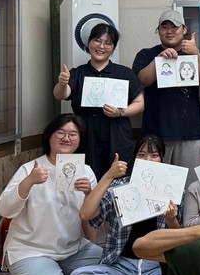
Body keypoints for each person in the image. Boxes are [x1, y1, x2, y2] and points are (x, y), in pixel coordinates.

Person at [69, 135, 185, 275]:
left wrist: (171, 220)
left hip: (155, 267)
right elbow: (86, 214)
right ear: (135, 159)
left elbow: (180, 238)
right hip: (119, 265)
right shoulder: (119, 186)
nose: (148, 160)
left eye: (154, 155)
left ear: (162, 159)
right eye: (142, 155)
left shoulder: (174, 190)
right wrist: (108, 176)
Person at [0, 114, 102, 275]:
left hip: (71, 250)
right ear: (49, 136)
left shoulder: (85, 171)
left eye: (73, 134)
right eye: (60, 132)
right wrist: (29, 182)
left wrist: (89, 193)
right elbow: (4, 209)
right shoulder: (30, 169)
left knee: (111, 263)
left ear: (80, 139)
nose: (66, 138)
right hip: (30, 251)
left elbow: (90, 217)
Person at [53, 23, 144, 179]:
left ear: (113, 48)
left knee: (117, 181)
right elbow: (60, 95)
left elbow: (140, 103)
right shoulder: (78, 73)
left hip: (116, 136)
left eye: (108, 43)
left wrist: (120, 112)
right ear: (89, 42)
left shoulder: (125, 73)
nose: (101, 46)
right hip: (86, 137)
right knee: (84, 181)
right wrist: (62, 83)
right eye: (97, 40)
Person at [132, 9, 200, 181]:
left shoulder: (195, 54)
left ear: (184, 29)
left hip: (189, 133)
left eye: (174, 27)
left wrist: (196, 53)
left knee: (190, 186)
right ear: (158, 30)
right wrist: (159, 60)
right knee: (153, 186)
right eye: (164, 27)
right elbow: (141, 81)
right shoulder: (146, 54)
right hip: (155, 134)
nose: (169, 31)